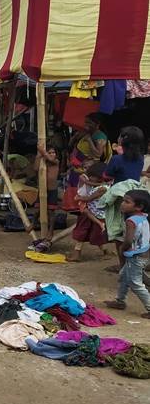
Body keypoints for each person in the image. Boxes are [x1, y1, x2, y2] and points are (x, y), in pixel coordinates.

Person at [105, 190, 150, 319]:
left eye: (127, 202)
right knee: (124, 277)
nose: (122, 204)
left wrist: (122, 250)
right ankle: (120, 301)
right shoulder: (143, 217)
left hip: (135, 256)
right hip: (143, 253)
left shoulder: (131, 221)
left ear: (139, 206)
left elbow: (128, 241)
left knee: (135, 283)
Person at [64, 113, 111, 210]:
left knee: (83, 187)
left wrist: (89, 140)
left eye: (89, 123)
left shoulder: (99, 136)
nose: (86, 124)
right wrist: (76, 136)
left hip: (88, 167)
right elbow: (70, 145)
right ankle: (74, 206)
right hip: (78, 166)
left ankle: (80, 207)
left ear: (97, 125)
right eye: (86, 122)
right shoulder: (86, 132)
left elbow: (98, 154)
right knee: (75, 186)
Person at [70, 162, 111, 262]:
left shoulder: (102, 188)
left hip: (96, 214)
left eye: (93, 176)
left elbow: (89, 198)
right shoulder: (99, 186)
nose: (90, 178)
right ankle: (103, 251)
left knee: (89, 233)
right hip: (93, 212)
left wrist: (79, 198)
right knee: (87, 233)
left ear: (100, 177)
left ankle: (77, 254)